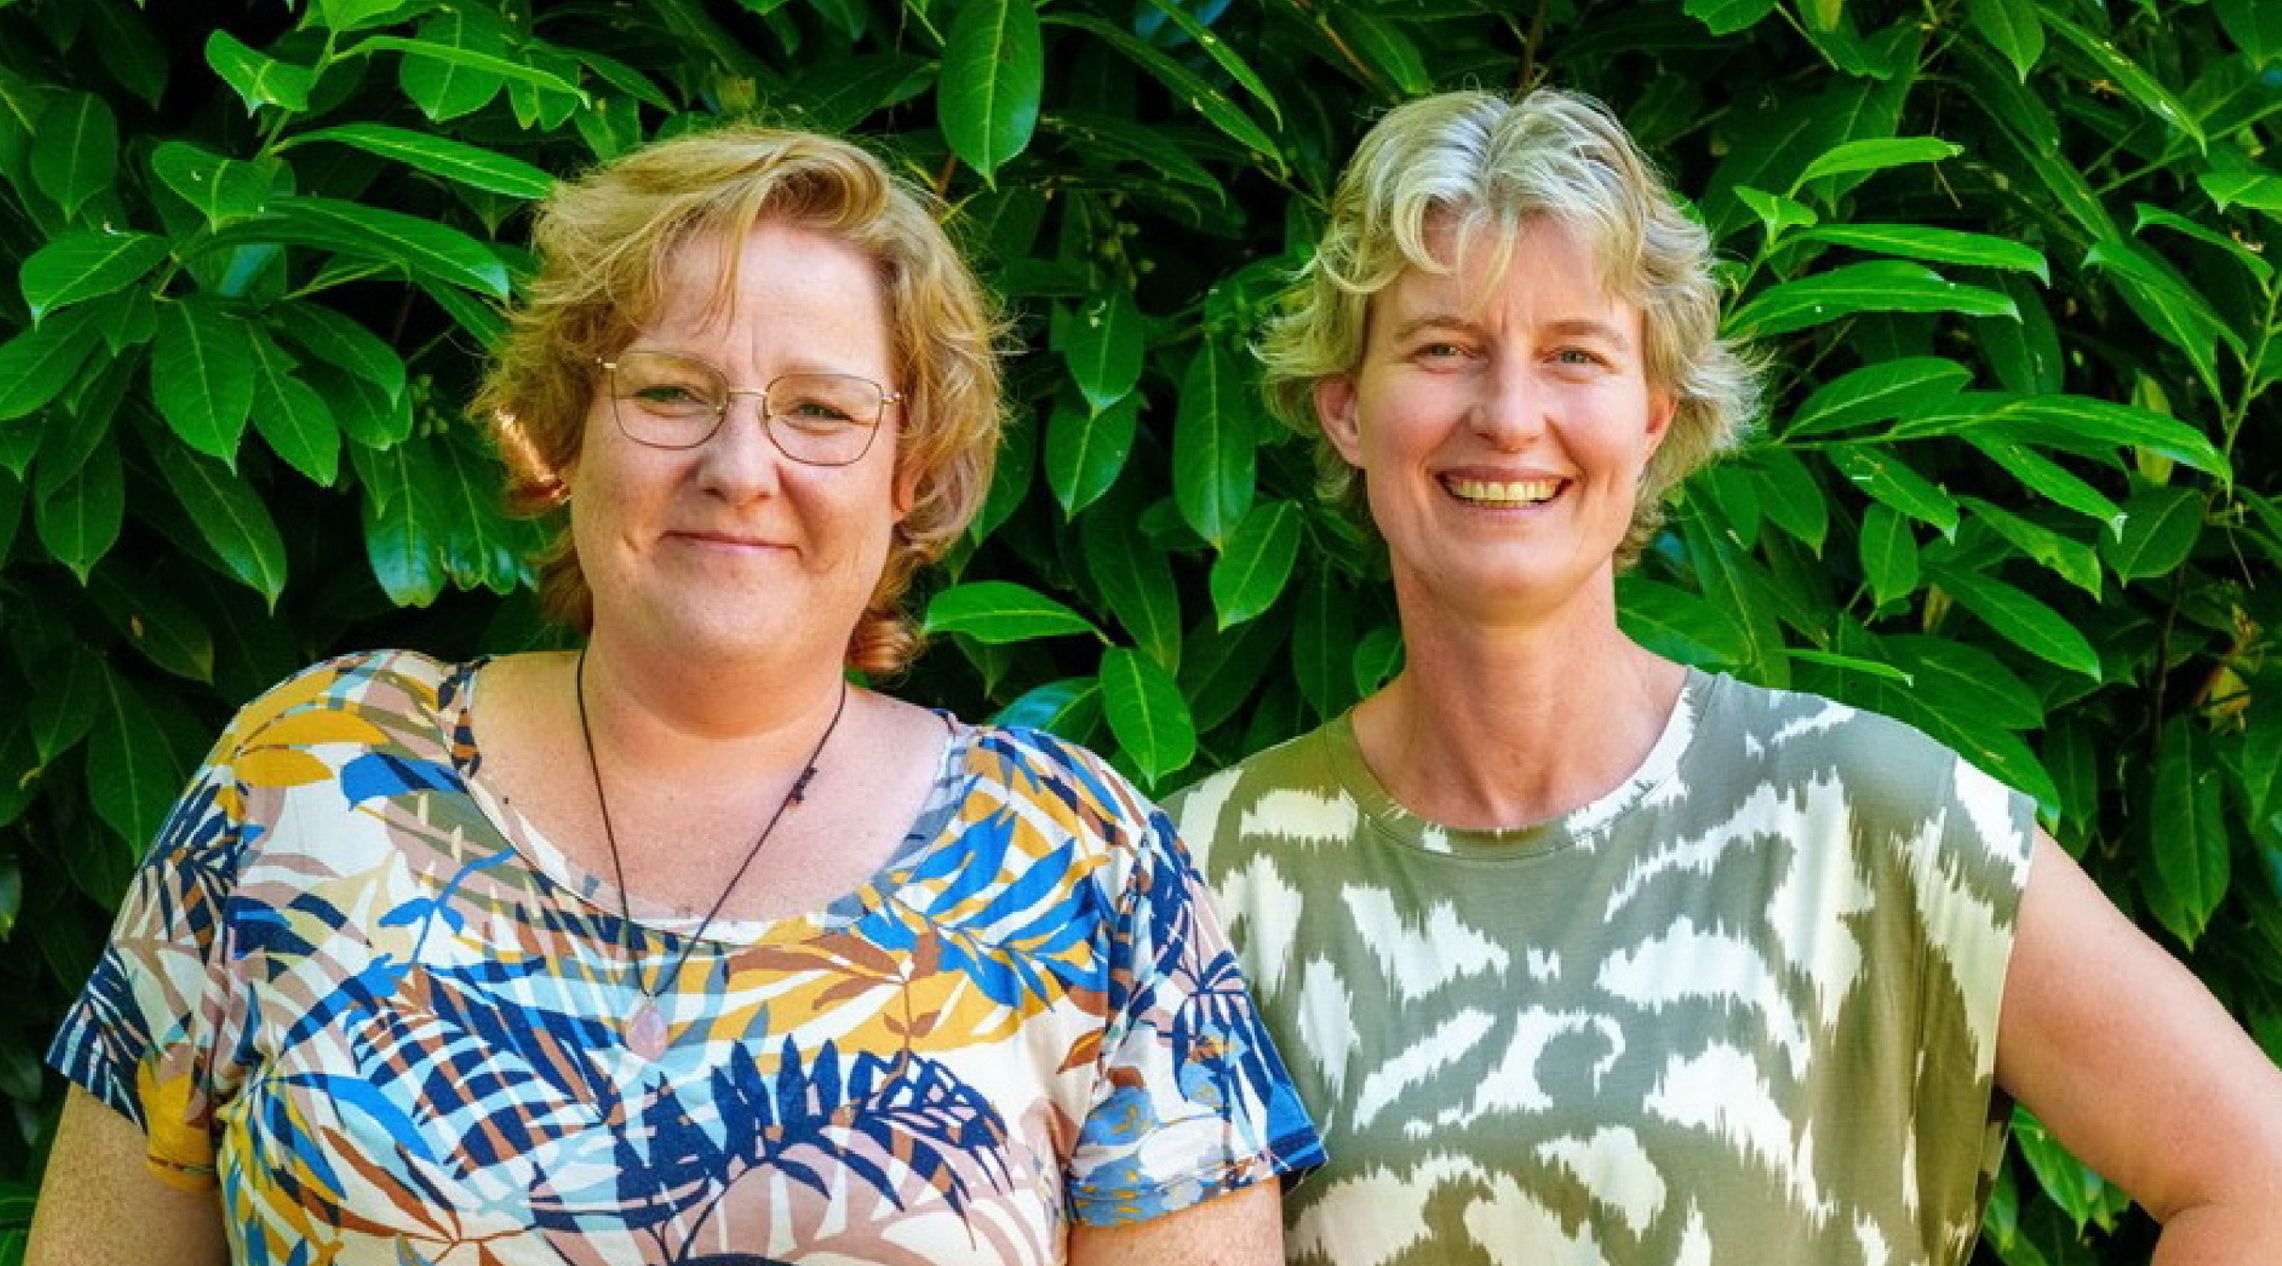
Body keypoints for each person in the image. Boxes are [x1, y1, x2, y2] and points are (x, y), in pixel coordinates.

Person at [33, 125, 1322, 1266]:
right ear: (563, 431)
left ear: (908, 469)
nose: (740, 465)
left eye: (820, 410)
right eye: (669, 392)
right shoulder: (304, 779)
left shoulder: (1078, 862)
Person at [1163, 88, 2282, 1264]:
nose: (1509, 415)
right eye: (1442, 348)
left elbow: (2254, 1180)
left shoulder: (1862, 819)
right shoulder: (1193, 882)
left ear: (1651, 415)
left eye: (1572, 354)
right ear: (1345, 407)